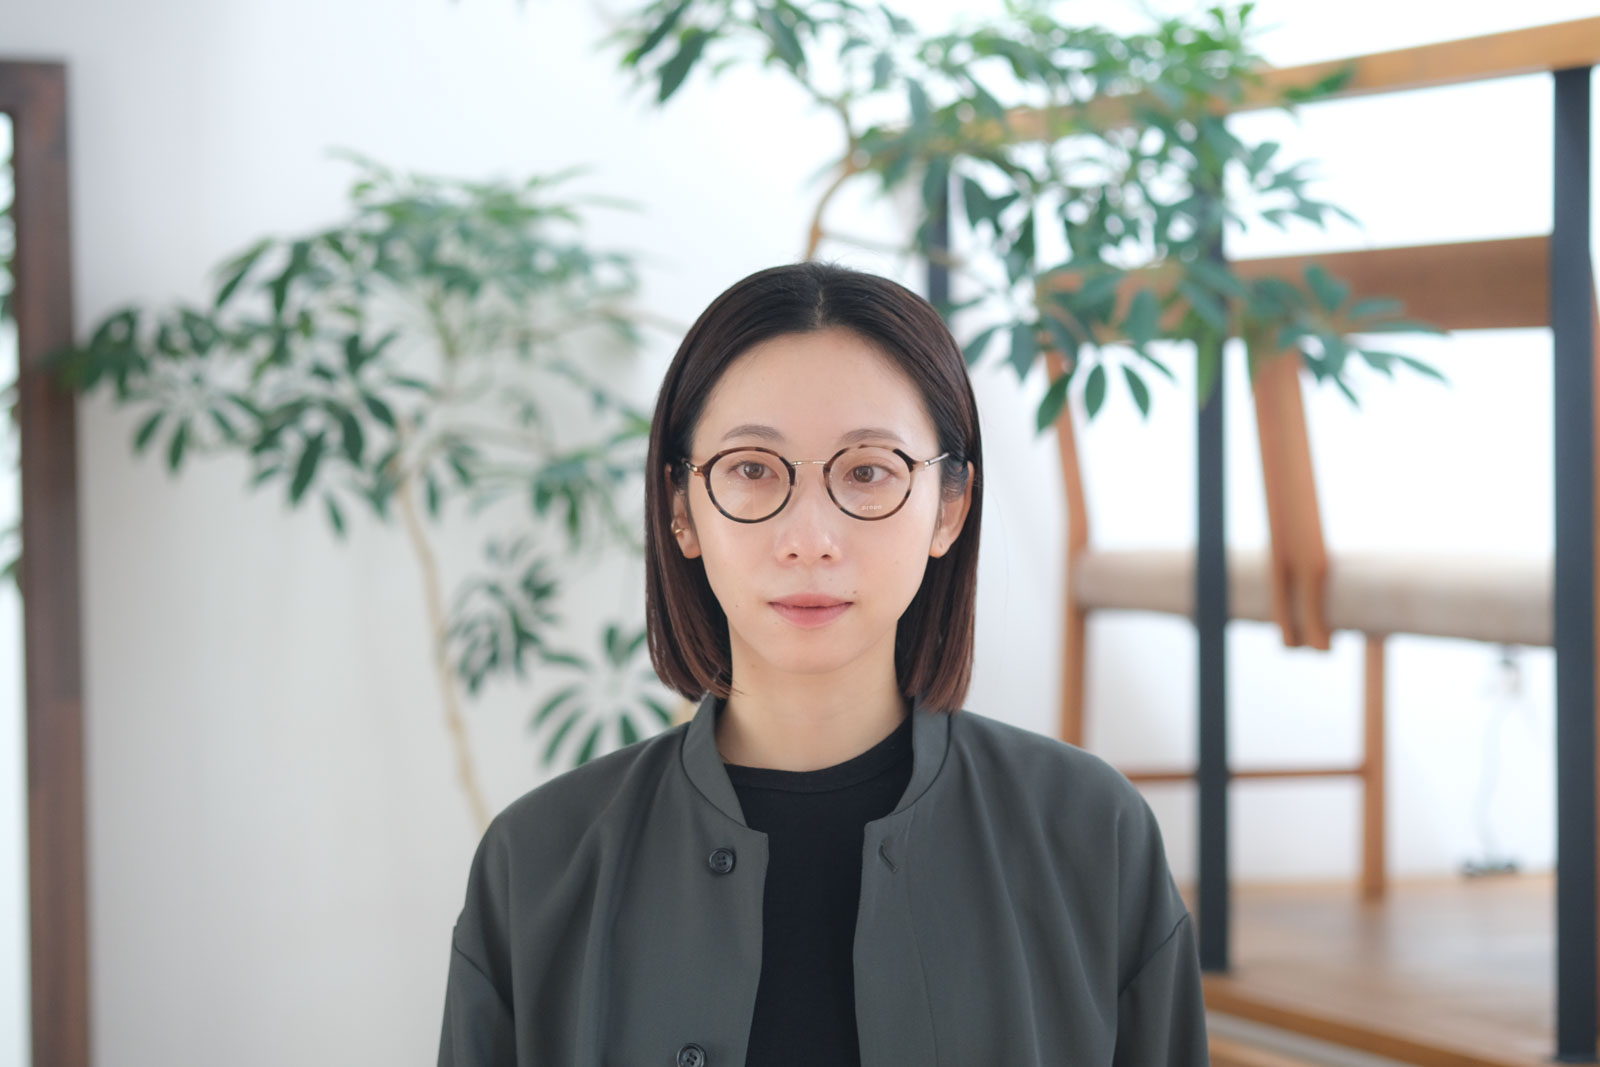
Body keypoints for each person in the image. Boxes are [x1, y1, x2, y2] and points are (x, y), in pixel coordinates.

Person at [437, 261, 1210, 1066]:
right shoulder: (537, 861)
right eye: (751, 469)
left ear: (949, 507)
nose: (809, 538)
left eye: (868, 471)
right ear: (680, 507)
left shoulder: (1091, 833)